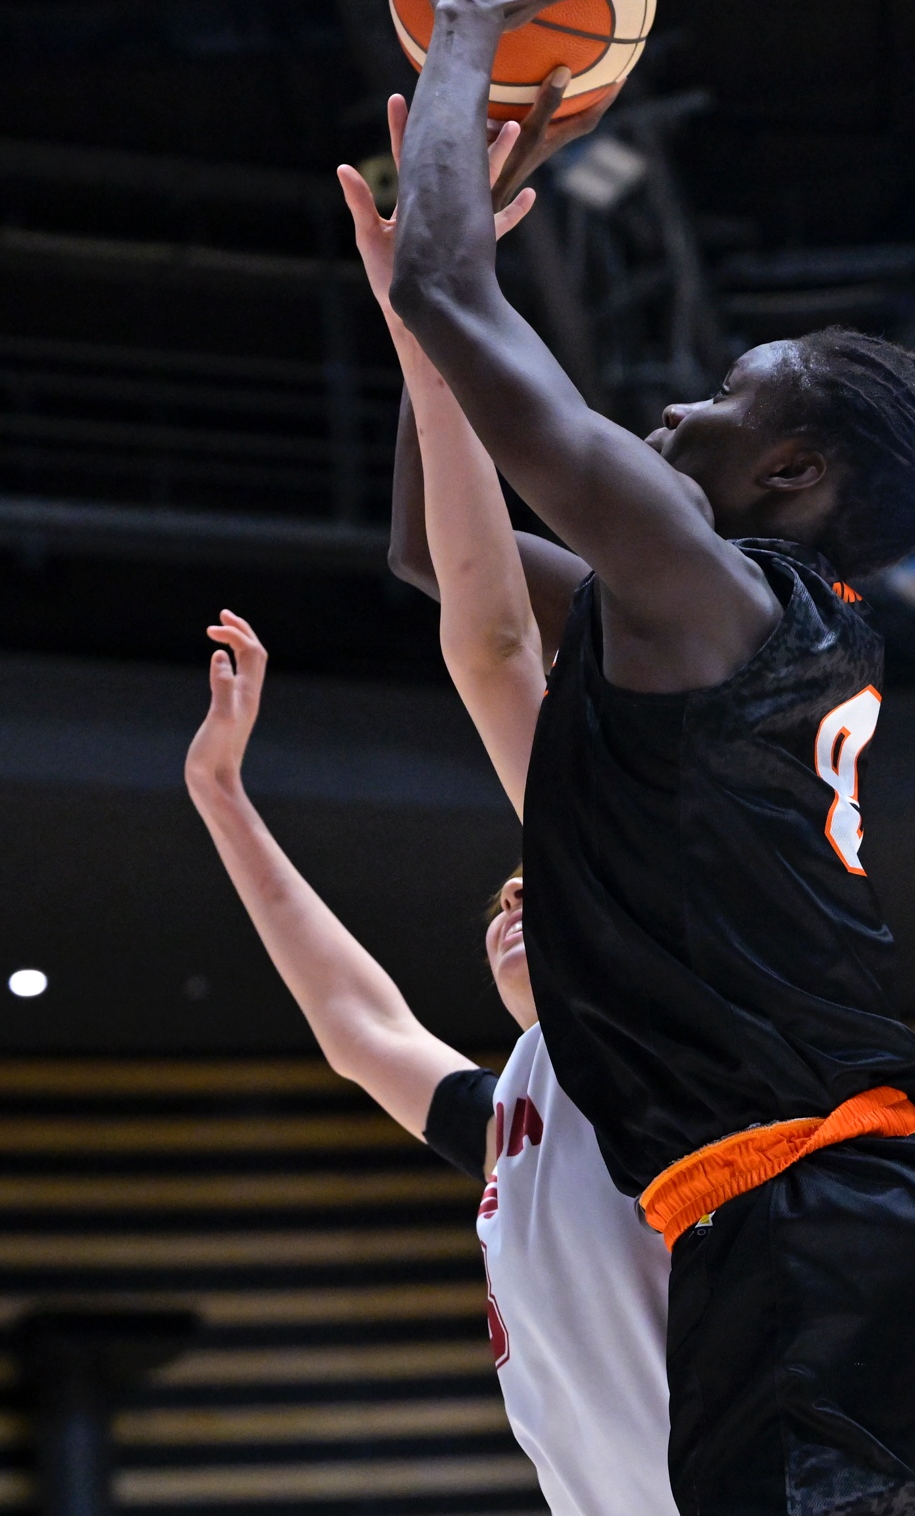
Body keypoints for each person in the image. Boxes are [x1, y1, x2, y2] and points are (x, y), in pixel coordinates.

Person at [378, 0, 915, 1512]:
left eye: (723, 398)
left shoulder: (708, 593)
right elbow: (438, 548)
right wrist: (425, 327)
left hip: (817, 1257)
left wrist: (467, 26)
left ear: (793, 473)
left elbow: (448, 282)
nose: (679, 407)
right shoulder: (746, 629)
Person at [179, 100, 680, 1516]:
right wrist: (221, 798)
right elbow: (362, 1032)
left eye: (529, 889)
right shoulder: (518, 1105)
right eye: (510, 899)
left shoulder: (655, 1009)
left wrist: (437, 315)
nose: (515, 902)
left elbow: (490, 635)